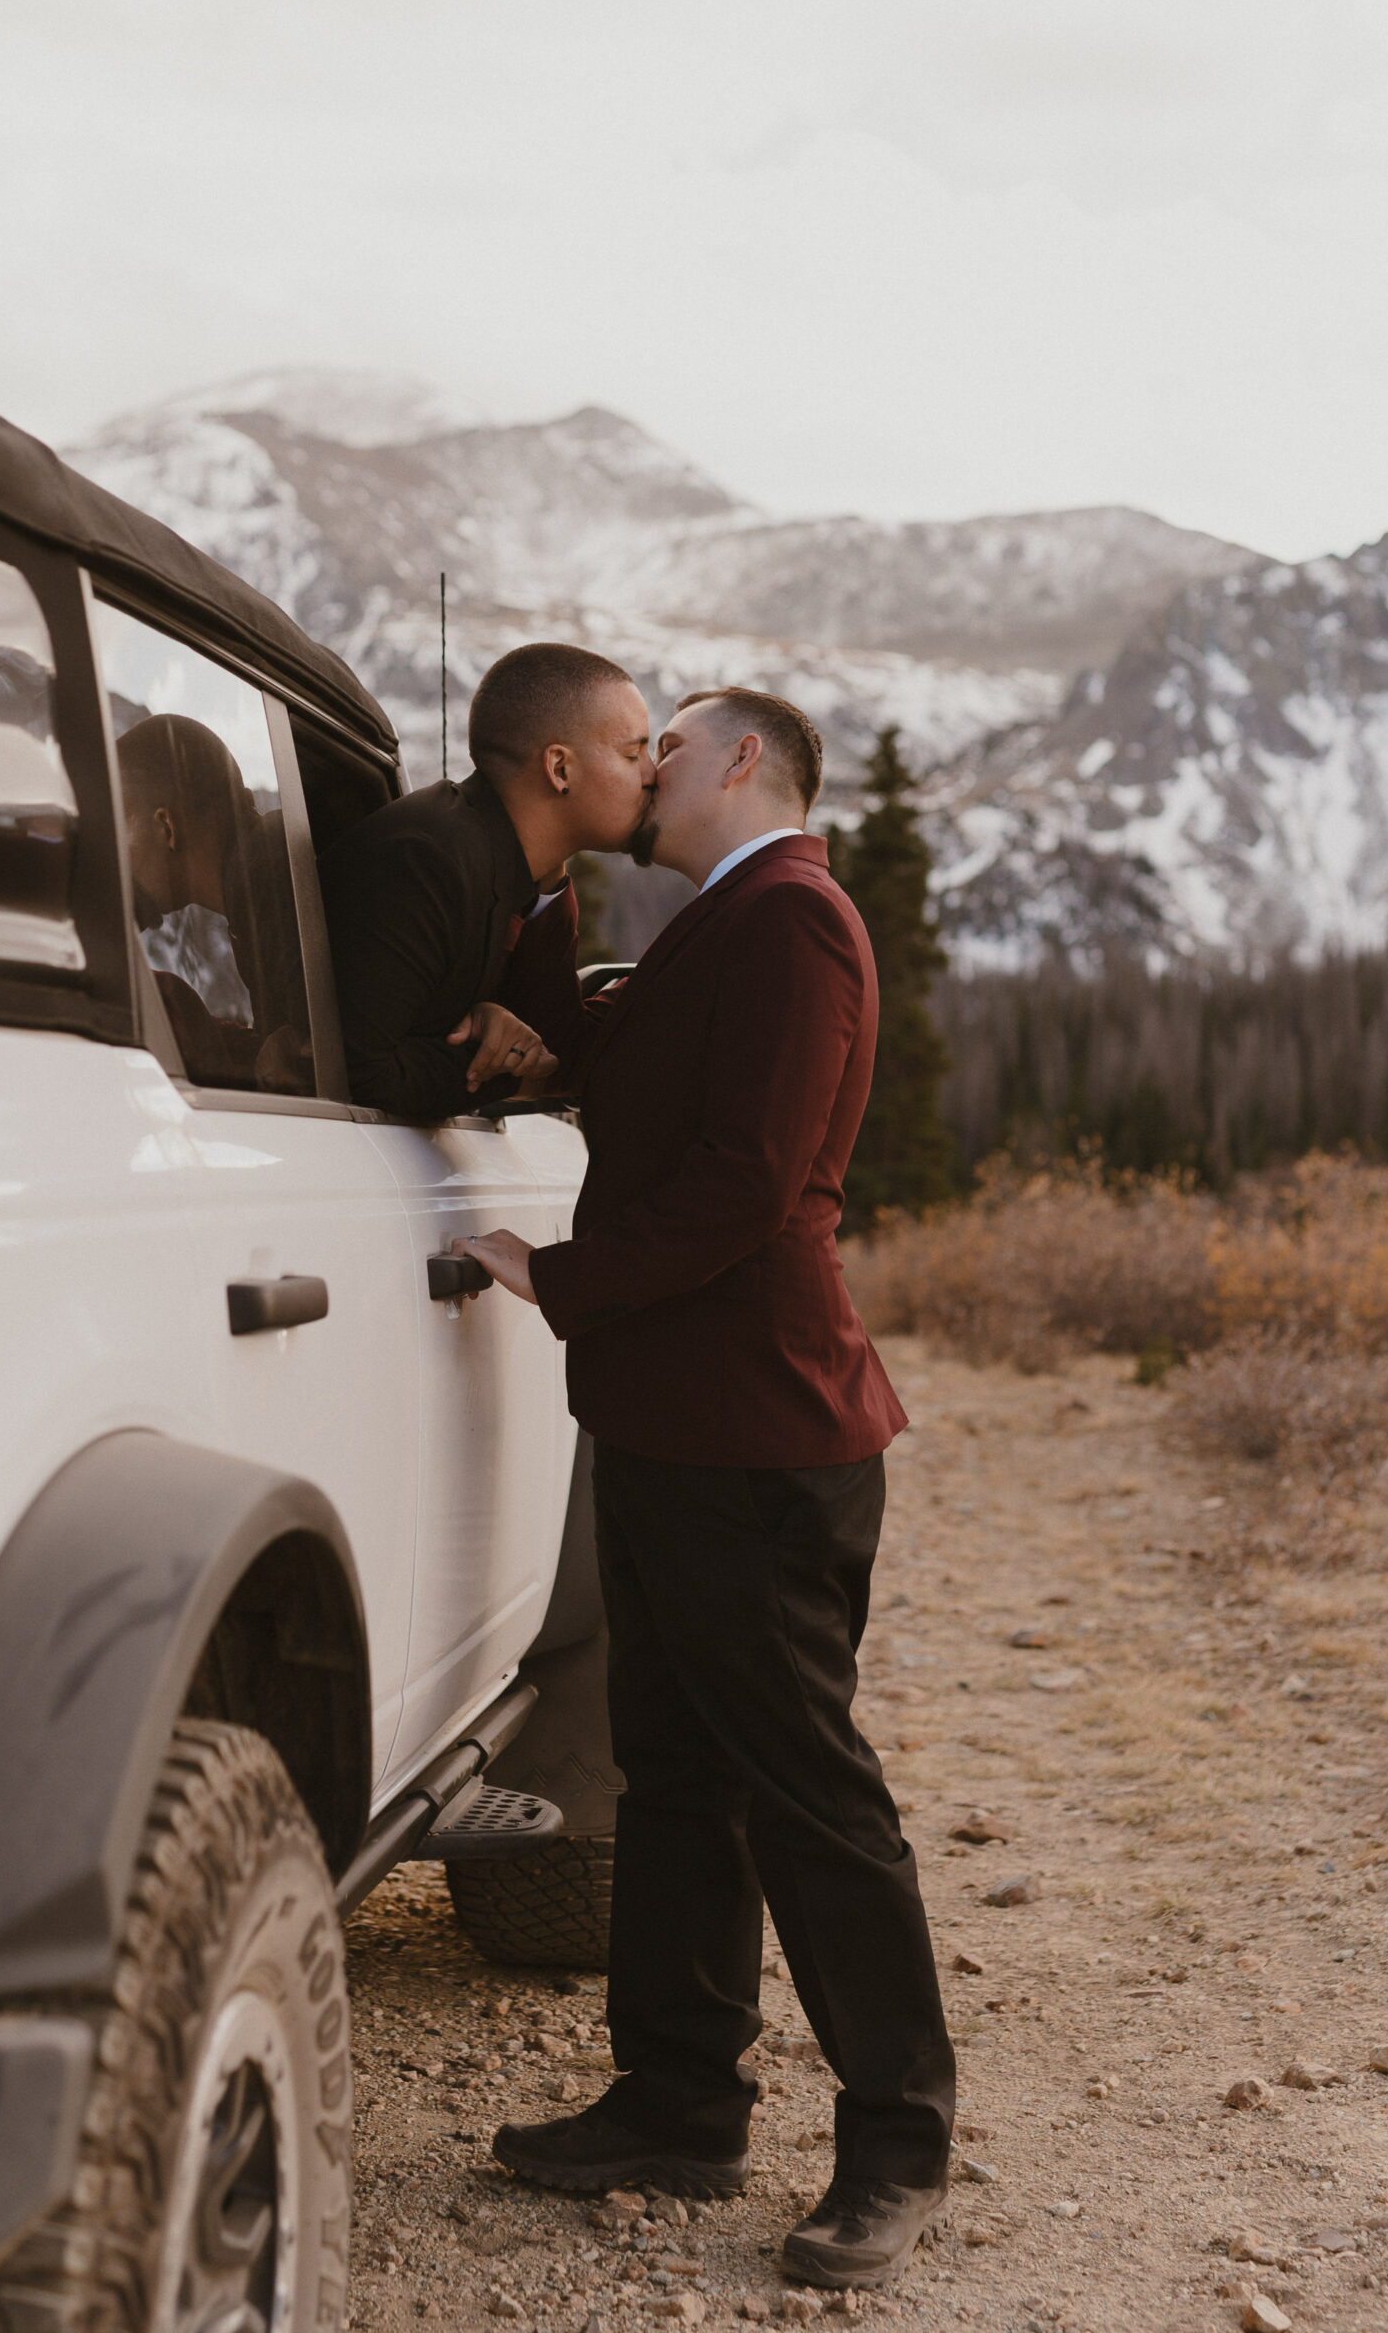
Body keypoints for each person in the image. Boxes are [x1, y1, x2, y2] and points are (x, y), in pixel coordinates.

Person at [464, 687, 956, 2292]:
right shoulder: (708, 926)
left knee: (808, 1792)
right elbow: (624, 1062)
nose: (643, 769)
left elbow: (747, 1183)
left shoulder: (795, 920)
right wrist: (525, 877)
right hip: (677, 1426)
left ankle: (894, 2146)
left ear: (739, 760)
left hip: (761, 1434)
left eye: (662, 746)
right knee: (672, 1774)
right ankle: (680, 2103)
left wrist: (558, 1275)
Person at [319, 642, 653, 1120]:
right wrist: (503, 1067)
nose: (651, 775)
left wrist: (493, 1023)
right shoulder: (426, 859)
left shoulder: (520, 871)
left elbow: (555, 1044)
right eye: (634, 753)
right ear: (560, 769)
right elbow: (357, 1074)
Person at [117, 713, 313, 1094]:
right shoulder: (256, 884)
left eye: (121, 824)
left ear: (165, 828)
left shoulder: (274, 883)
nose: (116, 850)